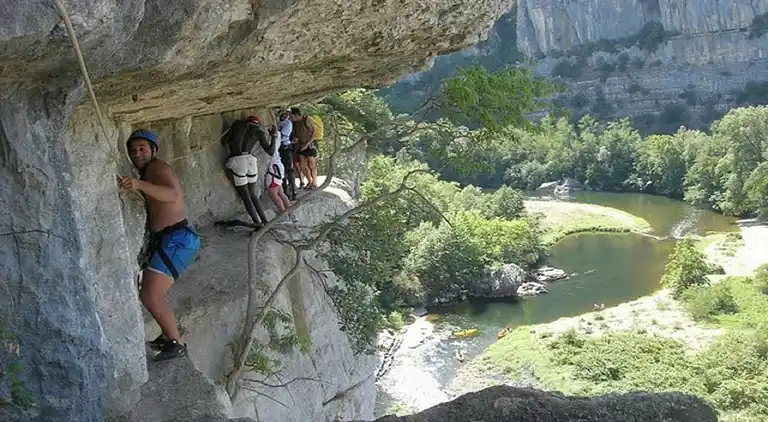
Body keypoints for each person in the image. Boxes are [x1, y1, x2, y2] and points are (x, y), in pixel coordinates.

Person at [119, 129, 201, 362]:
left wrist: (138, 184)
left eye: (142, 148)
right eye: (133, 151)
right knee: (154, 292)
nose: (137, 154)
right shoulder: (149, 171)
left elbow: (172, 194)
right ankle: (168, 337)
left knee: (151, 294)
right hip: (172, 240)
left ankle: (176, 344)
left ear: (153, 150)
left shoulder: (157, 168)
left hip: (177, 239)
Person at [221, 115, 272, 227]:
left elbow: (224, 142)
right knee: (252, 193)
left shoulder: (237, 125)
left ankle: (257, 223)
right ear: (257, 124)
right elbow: (271, 151)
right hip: (250, 160)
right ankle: (265, 221)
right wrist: (274, 136)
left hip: (237, 160)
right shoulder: (259, 132)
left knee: (245, 196)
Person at [290, 107, 322, 190]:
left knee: (312, 164)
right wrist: (295, 139)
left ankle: (314, 183)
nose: (291, 118)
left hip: (310, 144)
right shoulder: (295, 123)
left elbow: (314, 132)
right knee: (302, 165)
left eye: (292, 116)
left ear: (297, 115)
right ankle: (309, 181)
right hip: (301, 144)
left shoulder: (307, 119)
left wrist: (307, 144)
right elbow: (297, 134)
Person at [265, 125, 291, 211]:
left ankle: (283, 214)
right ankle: (291, 214)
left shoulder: (275, 136)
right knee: (280, 192)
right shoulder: (279, 135)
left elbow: (270, 150)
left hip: (274, 167)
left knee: (273, 193)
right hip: (278, 165)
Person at [276, 109, 297, 200]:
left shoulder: (288, 123)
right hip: (279, 148)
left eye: (286, 114)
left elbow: (282, 135)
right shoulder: (278, 122)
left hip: (285, 146)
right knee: (282, 170)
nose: (284, 116)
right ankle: (285, 191)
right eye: (282, 114)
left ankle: (293, 190)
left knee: (289, 169)